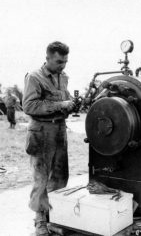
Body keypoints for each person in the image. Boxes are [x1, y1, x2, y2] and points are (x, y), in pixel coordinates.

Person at [23, 41, 75, 236]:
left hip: (59, 129)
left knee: (61, 175)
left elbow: (65, 100)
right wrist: (62, 105)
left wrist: (72, 105)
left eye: (65, 61)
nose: (63, 65)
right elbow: (29, 106)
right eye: (59, 61)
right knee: (41, 178)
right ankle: (40, 220)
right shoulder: (34, 78)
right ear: (48, 58)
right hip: (41, 132)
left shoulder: (64, 77)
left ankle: (55, 215)